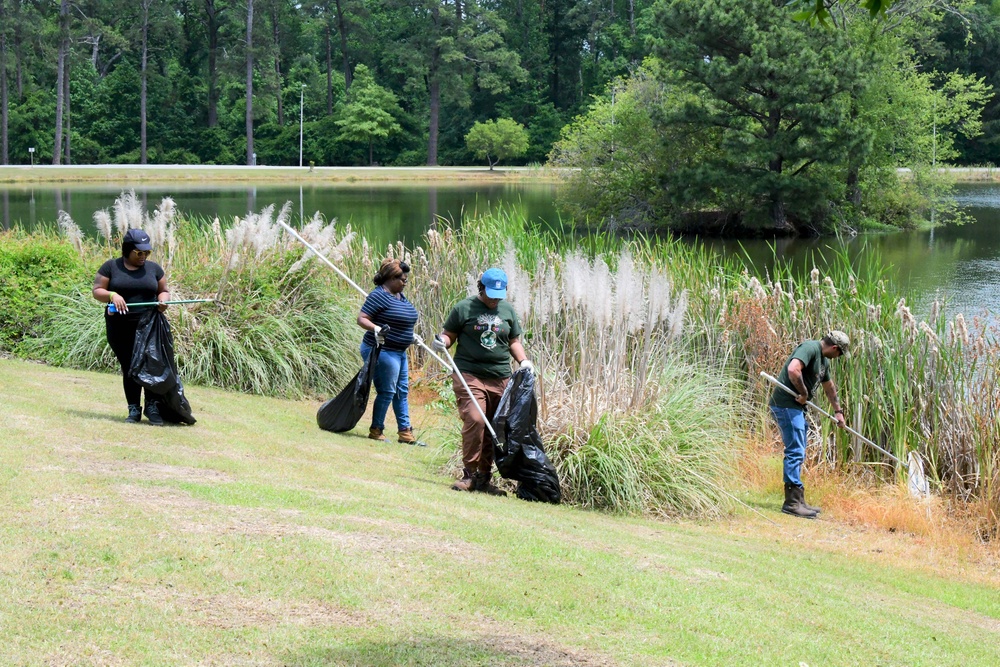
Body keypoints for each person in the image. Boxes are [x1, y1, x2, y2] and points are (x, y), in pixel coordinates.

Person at [433, 268, 534, 495]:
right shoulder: (464, 308)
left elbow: (513, 340)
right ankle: (468, 474)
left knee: (494, 427)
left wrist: (524, 361)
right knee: (476, 419)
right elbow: (449, 334)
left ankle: (483, 479)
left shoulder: (507, 310)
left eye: (499, 294)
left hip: (500, 378)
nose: (494, 298)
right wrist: (442, 342)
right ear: (481, 288)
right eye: (490, 293)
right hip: (469, 374)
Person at [92, 228, 171, 425]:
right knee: (130, 367)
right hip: (120, 328)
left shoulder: (154, 269)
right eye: (139, 252)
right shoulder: (111, 267)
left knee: (151, 364)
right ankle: (134, 409)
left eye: (147, 252)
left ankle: (152, 408)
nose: (144, 256)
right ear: (128, 250)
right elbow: (97, 290)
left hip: (150, 326)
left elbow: (164, 291)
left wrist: (163, 302)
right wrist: (112, 295)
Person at [769, 331, 850, 519]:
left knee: (799, 450)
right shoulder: (810, 348)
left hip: (796, 409)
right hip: (786, 406)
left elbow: (829, 387)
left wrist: (838, 412)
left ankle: (799, 500)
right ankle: (792, 503)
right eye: (840, 354)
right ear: (835, 348)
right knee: (795, 451)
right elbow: (793, 369)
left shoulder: (824, 360)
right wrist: (804, 393)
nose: (838, 358)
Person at [357, 259, 420, 444]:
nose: (405, 282)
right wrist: (376, 328)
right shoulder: (378, 295)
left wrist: (412, 337)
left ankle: (405, 433)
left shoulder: (399, 296)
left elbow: (399, 320)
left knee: (402, 391)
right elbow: (361, 319)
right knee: (387, 391)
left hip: (400, 351)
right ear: (391, 278)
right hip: (382, 349)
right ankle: (376, 430)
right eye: (402, 279)